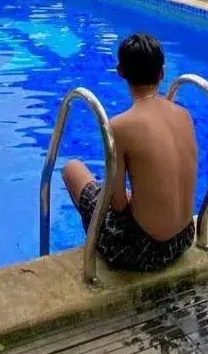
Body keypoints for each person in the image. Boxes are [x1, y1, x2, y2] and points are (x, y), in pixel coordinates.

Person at [62, 32, 198, 272]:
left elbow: (117, 205)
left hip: (143, 252)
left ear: (121, 72)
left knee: (72, 169)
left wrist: (127, 198)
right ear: (162, 73)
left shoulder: (119, 126)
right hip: (185, 237)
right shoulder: (184, 115)